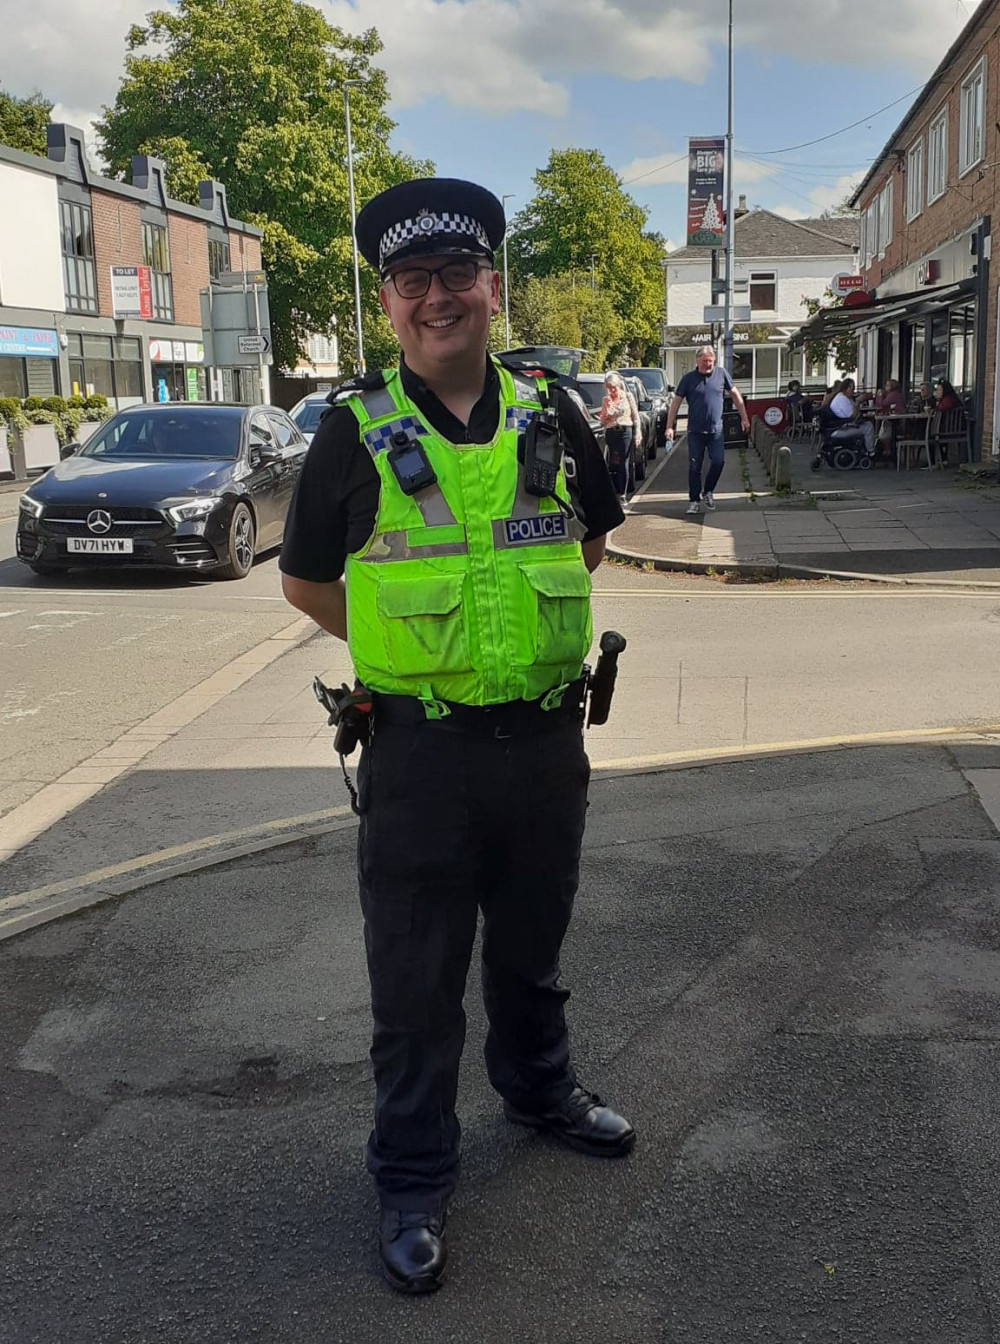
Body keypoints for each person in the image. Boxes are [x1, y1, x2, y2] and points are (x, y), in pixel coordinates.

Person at [279, 178, 632, 1296]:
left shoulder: (553, 412)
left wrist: (512, 655)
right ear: (387, 302)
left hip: (542, 745)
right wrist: (411, 662)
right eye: (413, 281)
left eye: (458, 277)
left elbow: (584, 547)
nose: (439, 299)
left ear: (493, 286)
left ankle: (539, 1092)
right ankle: (414, 1181)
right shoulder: (352, 430)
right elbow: (306, 583)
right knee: (417, 983)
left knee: (531, 951)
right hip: (421, 755)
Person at [664, 345, 749, 515]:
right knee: (695, 466)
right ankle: (694, 500)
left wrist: (744, 417)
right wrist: (669, 426)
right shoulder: (688, 379)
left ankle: (708, 491)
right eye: (705, 362)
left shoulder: (721, 374)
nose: (708, 365)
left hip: (715, 430)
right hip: (695, 431)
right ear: (697, 361)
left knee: (718, 461)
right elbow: (676, 403)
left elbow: (736, 395)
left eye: (710, 361)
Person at [597, 371, 641, 499]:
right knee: (612, 462)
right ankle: (613, 490)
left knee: (624, 461)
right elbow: (603, 421)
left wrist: (638, 433)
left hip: (625, 430)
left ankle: (623, 492)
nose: (611, 391)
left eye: (613, 388)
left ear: (619, 386)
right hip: (611, 431)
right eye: (609, 388)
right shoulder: (606, 400)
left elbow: (635, 416)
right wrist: (607, 410)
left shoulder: (627, 396)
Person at [829, 376, 875, 452]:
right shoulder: (842, 399)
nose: (853, 390)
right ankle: (871, 451)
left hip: (841, 425)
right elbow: (853, 416)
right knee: (868, 427)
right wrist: (858, 402)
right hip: (840, 428)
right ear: (845, 388)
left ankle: (865, 448)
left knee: (867, 423)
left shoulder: (844, 397)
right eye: (851, 388)